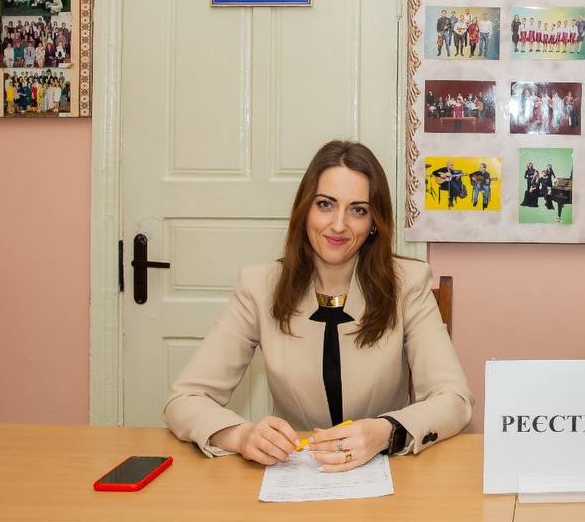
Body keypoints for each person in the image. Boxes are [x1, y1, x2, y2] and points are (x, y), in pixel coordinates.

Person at [164, 140, 473, 468]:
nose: (338, 225)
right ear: (305, 210)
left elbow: (454, 400)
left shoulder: (408, 284)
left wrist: (385, 432)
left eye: (358, 210)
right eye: (325, 204)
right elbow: (185, 399)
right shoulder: (258, 286)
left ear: (374, 223)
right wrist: (240, 436)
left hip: (385, 470)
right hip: (290, 471)